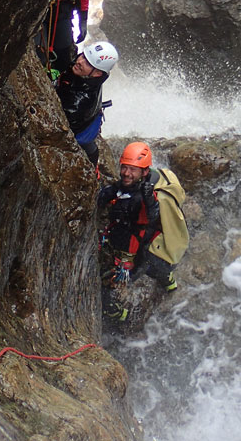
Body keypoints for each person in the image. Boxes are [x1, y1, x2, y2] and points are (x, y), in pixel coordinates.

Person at [98, 142, 189, 322]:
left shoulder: (146, 195)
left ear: (144, 172)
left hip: (137, 249)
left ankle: (122, 318)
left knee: (112, 291)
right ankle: (167, 278)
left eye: (133, 170)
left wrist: (148, 199)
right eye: (124, 168)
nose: (126, 173)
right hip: (123, 242)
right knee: (151, 269)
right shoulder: (122, 187)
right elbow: (103, 197)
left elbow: (153, 214)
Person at [56, 41, 119, 166]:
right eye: (84, 56)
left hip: (80, 132)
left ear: (97, 73)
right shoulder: (86, 76)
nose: (80, 61)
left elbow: (61, 128)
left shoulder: (80, 102)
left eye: (88, 63)